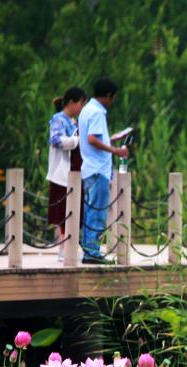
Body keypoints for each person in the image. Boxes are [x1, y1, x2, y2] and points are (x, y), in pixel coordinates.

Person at [77, 78, 129, 265]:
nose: (112, 101)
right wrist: (116, 150)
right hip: (98, 169)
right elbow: (92, 139)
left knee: (90, 209)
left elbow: (92, 139)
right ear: (108, 95)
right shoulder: (98, 112)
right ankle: (92, 251)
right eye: (112, 97)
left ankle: (89, 248)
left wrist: (109, 141)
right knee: (97, 211)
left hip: (90, 167)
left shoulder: (86, 110)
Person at [47, 87, 86, 254]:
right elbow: (56, 140)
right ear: (72, 102)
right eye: (81, 104)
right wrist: (77, 140)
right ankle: (63, 249)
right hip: (62, 173)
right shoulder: (58, 120)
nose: (81, 108)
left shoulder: (73, 122)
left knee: (74, 211)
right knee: (63, 212)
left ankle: (68, 247)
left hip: (75, 172)